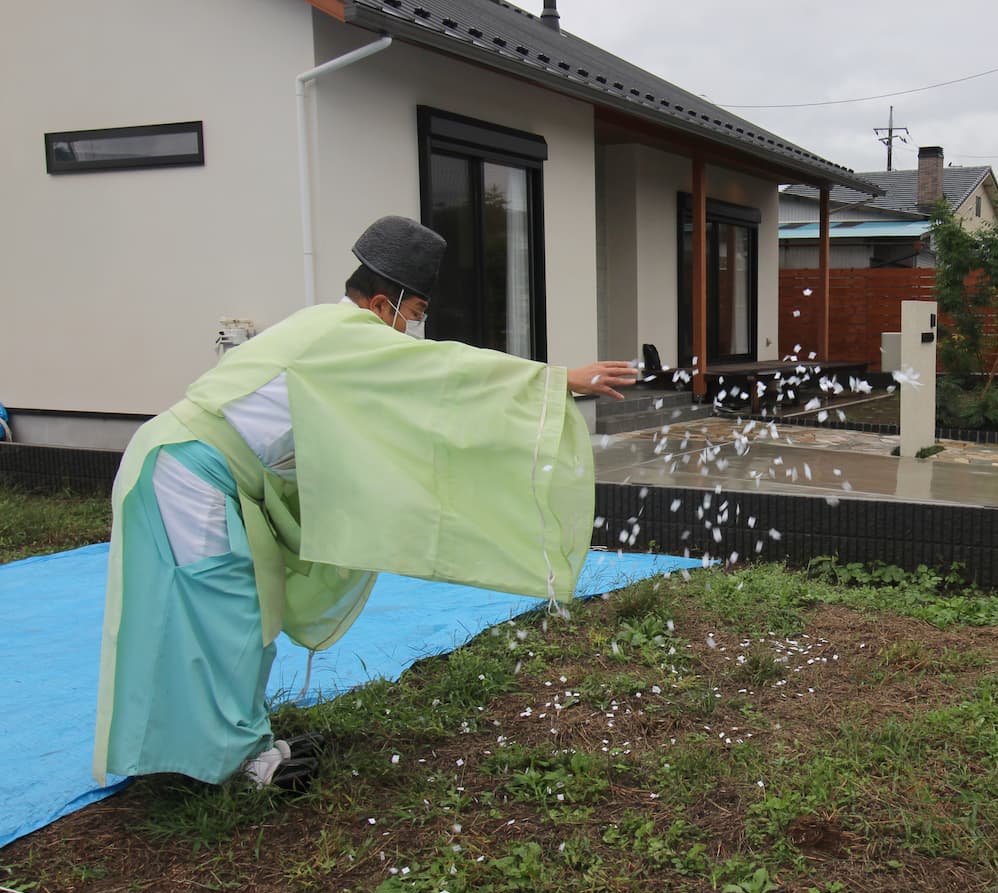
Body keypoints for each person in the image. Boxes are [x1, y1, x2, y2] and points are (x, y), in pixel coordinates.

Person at [93, 216, 636, 789]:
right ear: (384, 302)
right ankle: (237, 764)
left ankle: (222, 746)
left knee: (232, 611)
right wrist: (557, 381)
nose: (412, 333)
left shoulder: (325, 328)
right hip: (187, 475)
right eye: (415, 316)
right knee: (225, 614)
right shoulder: (347, 333)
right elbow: (447, 372)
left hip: (191, 469)